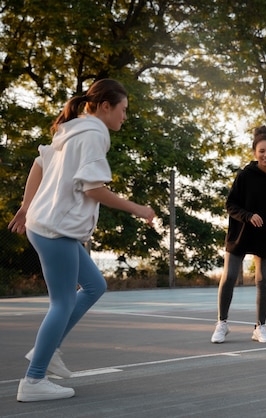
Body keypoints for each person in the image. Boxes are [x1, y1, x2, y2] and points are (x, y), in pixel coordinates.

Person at [8, 78, 155, 402]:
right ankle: (33, 380)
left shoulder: (71, 129)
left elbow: (38, 164)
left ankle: (48, 350)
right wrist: (138, 208)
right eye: (123, 110)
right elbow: (93, 189)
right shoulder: (92, 134)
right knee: (61, 303)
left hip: (48, 224)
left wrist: (26, 206)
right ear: (106, 106)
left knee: (94, 286)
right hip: (55, 229)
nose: (124, 117)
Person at [211, 126, 266, 344]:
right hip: (241, 234)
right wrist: (248, 215)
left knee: (263, 281)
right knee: (230, 277)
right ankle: (222, 323)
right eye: (262, 151)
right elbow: (230, 204)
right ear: (255, 152)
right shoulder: (244, 176)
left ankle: (260, 327)